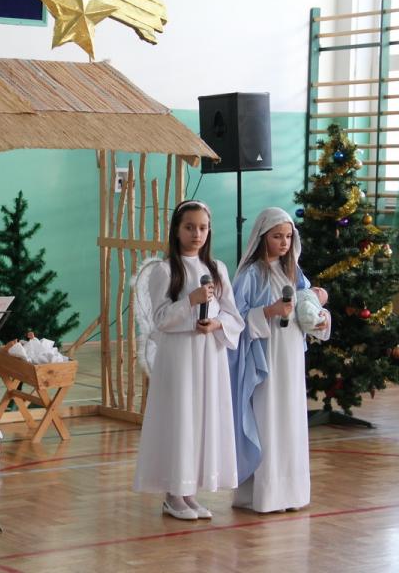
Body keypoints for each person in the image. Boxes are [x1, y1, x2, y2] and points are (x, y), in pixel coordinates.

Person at [132, 200, 244, 520]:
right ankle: (173, 494)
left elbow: (234, 316)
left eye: (203, 228)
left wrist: (217, 323)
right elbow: (159, 319)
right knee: (180, 419)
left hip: (209, 356)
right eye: (190, 227)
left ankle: (190, 491)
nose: (197, 234)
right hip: (179, 358)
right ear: (177, 230)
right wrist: (190, 302)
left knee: (201, 420)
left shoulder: (217, 269)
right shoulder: (165, 270)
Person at [228, 207, 330, 513]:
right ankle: (264, 494)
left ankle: (290, 494)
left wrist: (319, 319)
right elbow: (235, 319)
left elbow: (308, 303)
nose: (284, 243)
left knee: (290, 419)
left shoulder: (294, 273)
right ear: (263, 237)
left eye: (288, 236)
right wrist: (270, 311)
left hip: (291, 355)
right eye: (277, 236)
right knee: (268, 418)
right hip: (265, 357)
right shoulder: (250, 275)